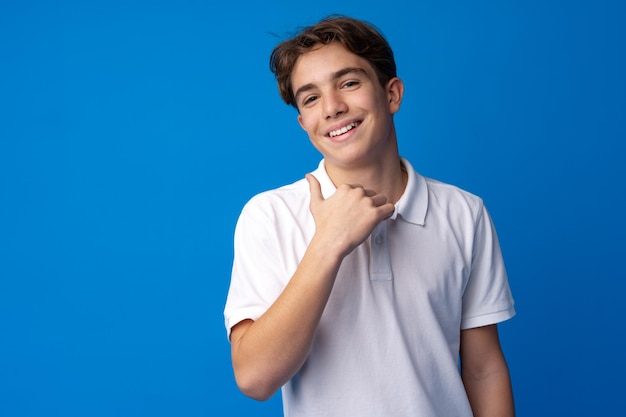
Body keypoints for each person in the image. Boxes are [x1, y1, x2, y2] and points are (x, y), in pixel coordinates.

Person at [224, 15, 516, 417]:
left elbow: (484, 369)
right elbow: (255, 378)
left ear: (392, 94)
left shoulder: (464, 213)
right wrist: (327, 244)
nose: (332, 107)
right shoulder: (269, 216)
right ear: (303, 123)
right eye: (310, 98)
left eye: (349, 83)